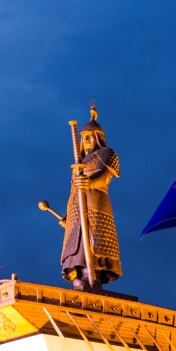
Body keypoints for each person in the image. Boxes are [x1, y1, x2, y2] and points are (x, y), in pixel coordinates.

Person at [60, 103, 122, 290]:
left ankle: (92, 273)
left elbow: (104, 176)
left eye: (89, 137)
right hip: (77, 206)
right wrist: (68, 214)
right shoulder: (79, 163)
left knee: (95, 239)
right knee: (76, 242)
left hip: (96, 201)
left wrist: (89, 182)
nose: (86, 140)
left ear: (98, 138)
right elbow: (73, 191)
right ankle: (79, 273)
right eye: (84, 137)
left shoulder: (107, 153)